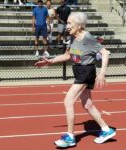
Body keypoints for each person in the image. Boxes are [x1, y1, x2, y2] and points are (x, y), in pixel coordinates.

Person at [35, 12, 116, 148]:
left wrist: (102, 73)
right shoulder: (73, 38)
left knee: (68, 101)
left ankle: (70, 137)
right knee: (87, 104)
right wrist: (50, 61)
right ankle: (106, 130)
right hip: (80, 72)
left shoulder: (88, 37)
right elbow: (68, 55)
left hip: (86, 71)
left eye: (69, 23)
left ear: (79, 25)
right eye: (67, 23)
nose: (67, 26)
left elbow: (104, 53)